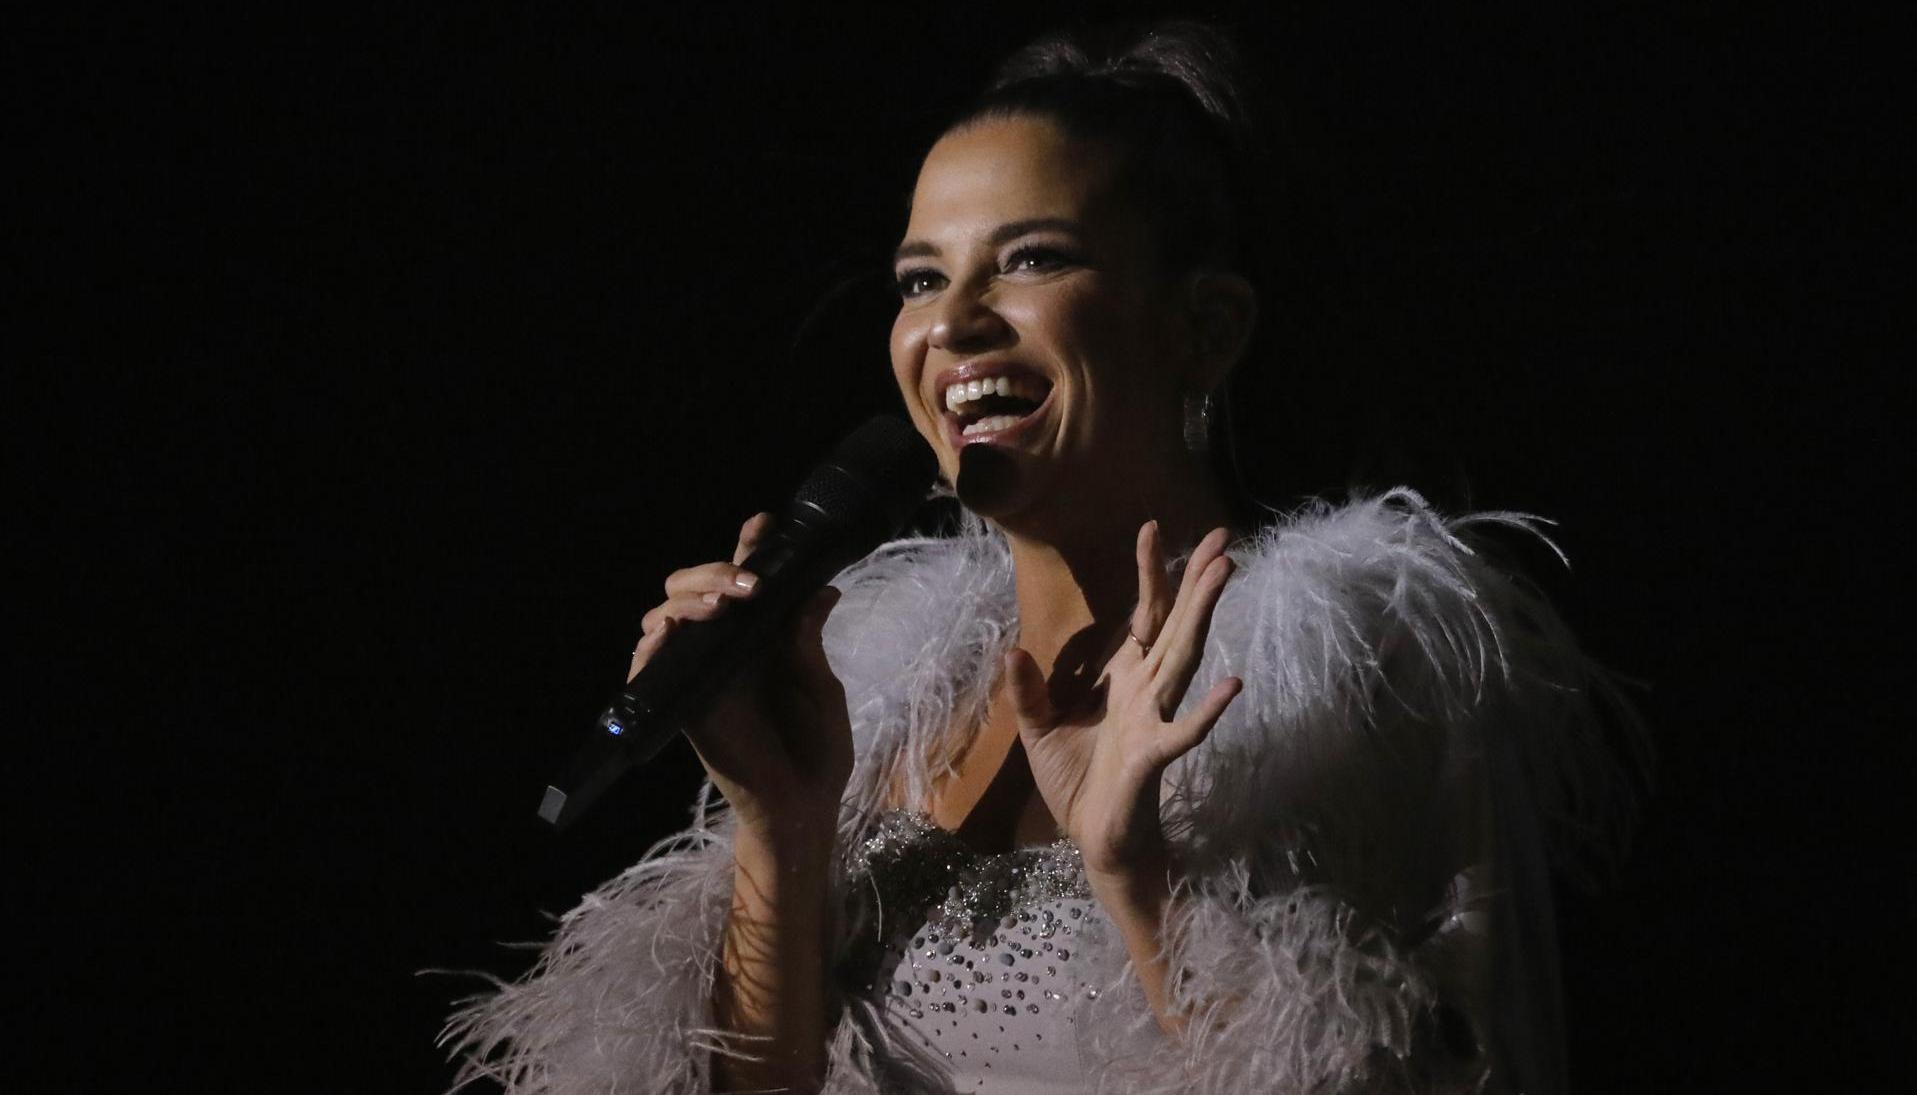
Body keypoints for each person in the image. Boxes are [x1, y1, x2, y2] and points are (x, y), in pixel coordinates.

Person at [444, 19, 1643, 1095]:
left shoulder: (1371, 675)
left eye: (1030, 260)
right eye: (923, 278)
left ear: (1206, 328)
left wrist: (1139, 885)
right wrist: (783, 827)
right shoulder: (876, 690)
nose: (953, 323)